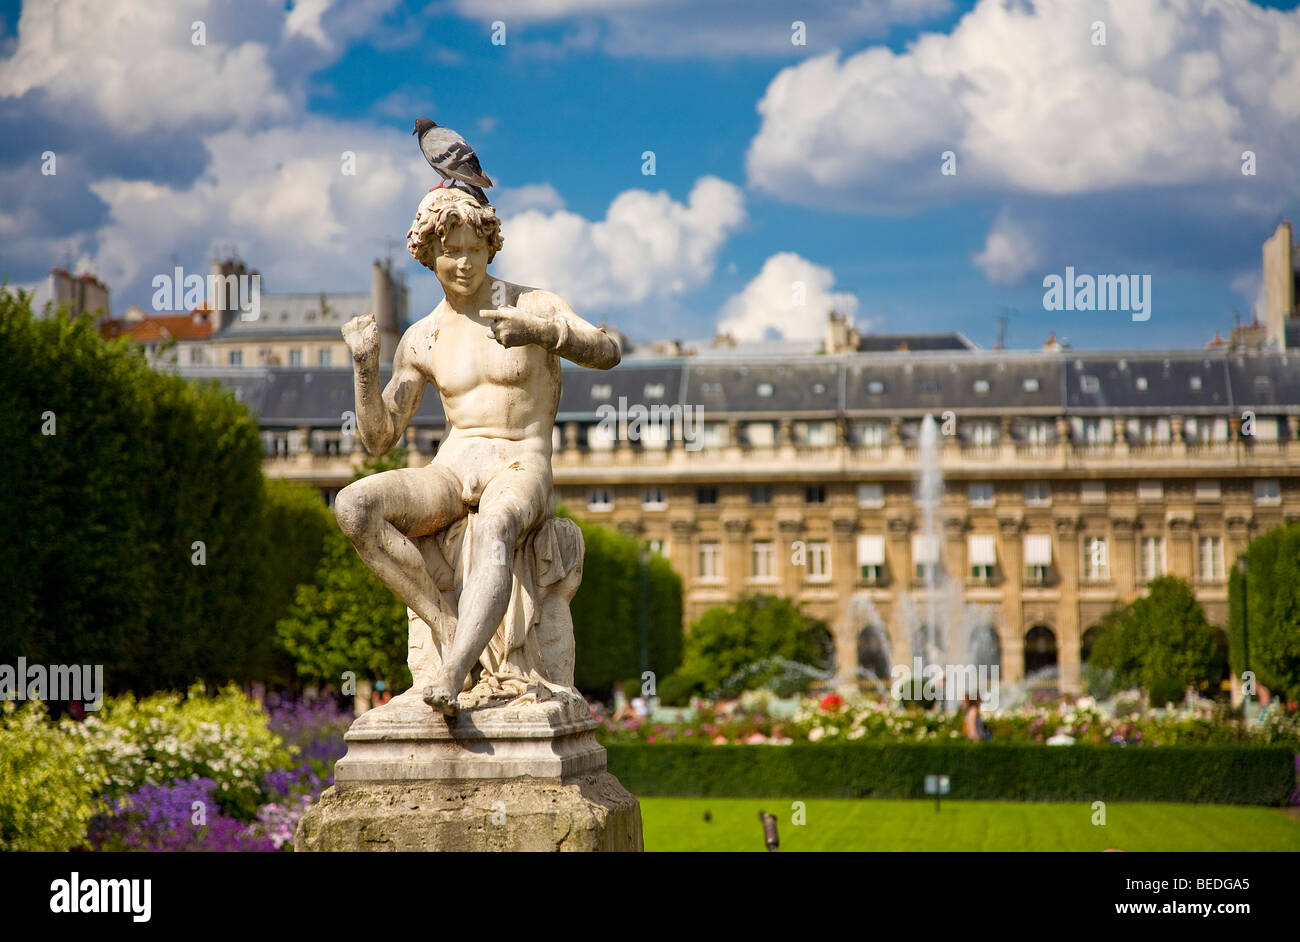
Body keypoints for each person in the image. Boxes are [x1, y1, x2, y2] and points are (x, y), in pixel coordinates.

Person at [335, 188, 622, 716]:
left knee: (494, 527)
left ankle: (451, 672)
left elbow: (608, 351)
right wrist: (363, 364)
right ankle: (448, 630)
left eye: (474, 249)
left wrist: (541, 333)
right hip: (454, 465)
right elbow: (379, 437)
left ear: (492, 246)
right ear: (428, 257)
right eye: (450, 254)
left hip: (520, 461)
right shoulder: (422, 338)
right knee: (354, 507)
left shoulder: (534, 304)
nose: (463, 263)